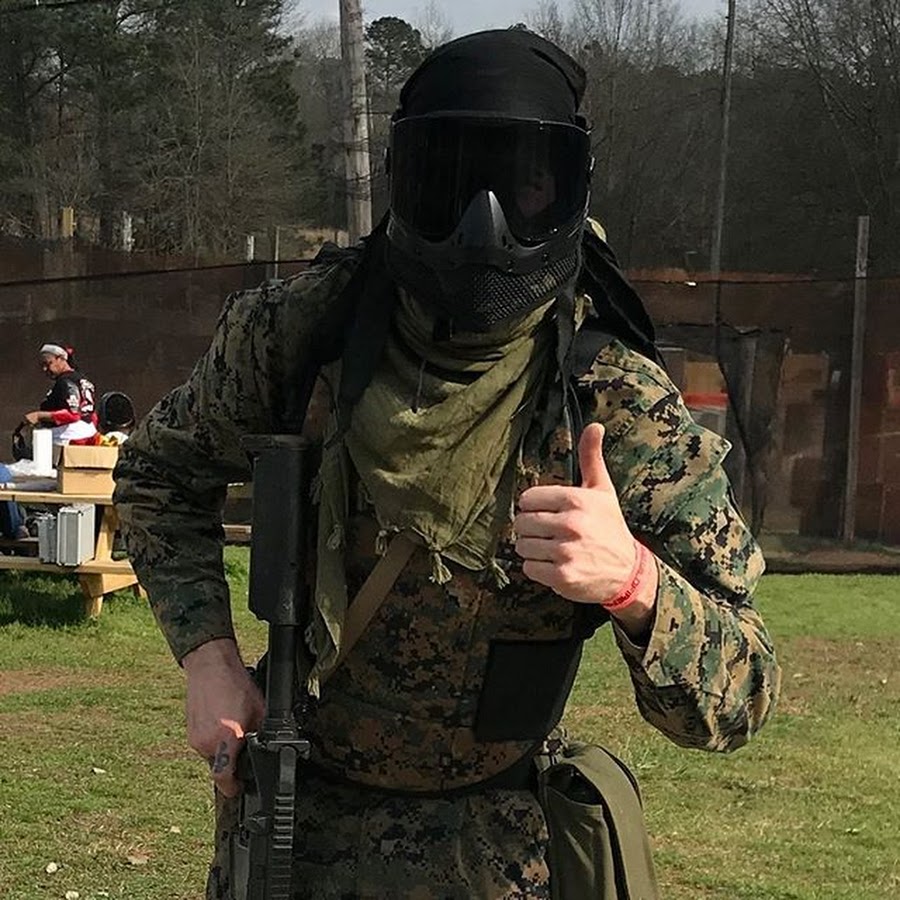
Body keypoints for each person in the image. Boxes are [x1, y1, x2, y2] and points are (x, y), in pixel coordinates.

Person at [114, 28, 781, 899]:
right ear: (406, 180)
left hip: (498, 849)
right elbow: (159, 476)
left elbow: (741, 693)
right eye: (453, 178)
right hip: (295, 827)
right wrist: (208, 659)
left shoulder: (613, 403)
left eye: (522, 183)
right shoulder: (300, 336)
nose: (484, 221)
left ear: (567, 190)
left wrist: (633, 583)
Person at [21, 342, 99, 446]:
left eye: (48, 363)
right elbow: (92, 415)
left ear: (61, 359)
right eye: (42, 365)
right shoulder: (82, 379)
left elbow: (72, 415)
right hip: (87, 433)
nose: (45, 369)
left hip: (68, 437)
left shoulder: (66, 381)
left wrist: (39, 415)